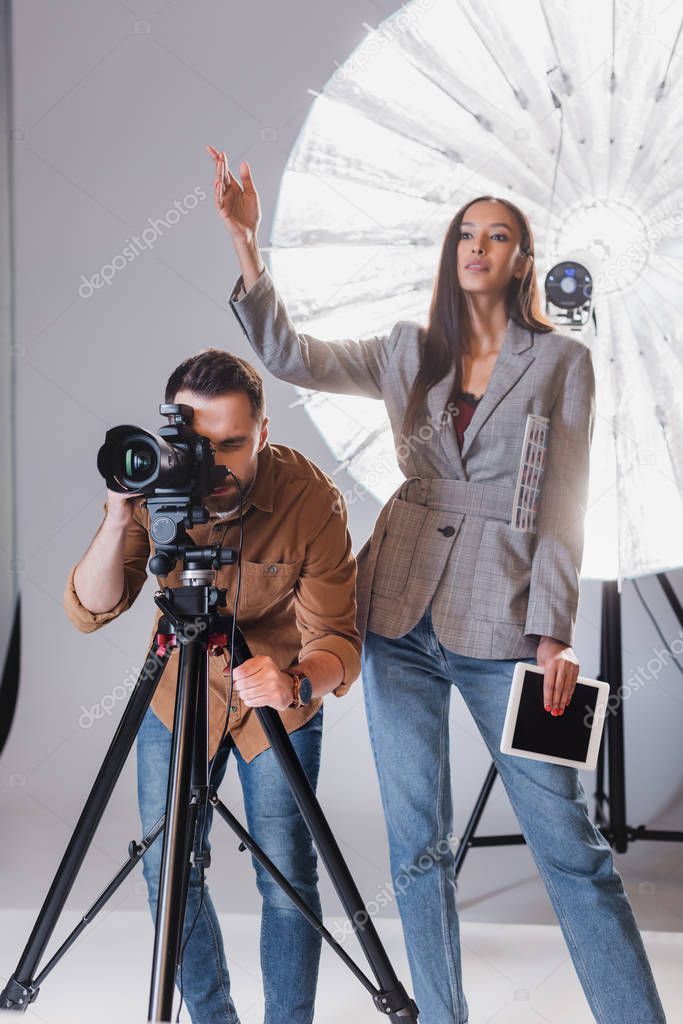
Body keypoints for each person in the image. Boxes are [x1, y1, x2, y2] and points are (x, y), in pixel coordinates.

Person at [206, 144, 667, 1024]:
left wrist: (553, 631)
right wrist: (245, 244)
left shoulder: (560, 360)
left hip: (505, 624)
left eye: (497, 236)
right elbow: (288, 354)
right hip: (395, 616)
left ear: (521, 260)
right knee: (417, 849)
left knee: (568, 846)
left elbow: (563, 503)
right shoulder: (405, 348)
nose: (478, 247)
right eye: (466, 234)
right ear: (451, 252)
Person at [63, 349, 362, 1024]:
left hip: (276, 698)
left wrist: (292, 681)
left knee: (285, 876)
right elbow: (89, 608)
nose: (215, 465)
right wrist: (117, 515)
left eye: (232, 443)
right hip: (179, 689)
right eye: (200, 445)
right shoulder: (161, 488)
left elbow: (339, 641)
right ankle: (212, 1017)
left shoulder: (309, 498)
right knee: (164, 868)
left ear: (262, 431)